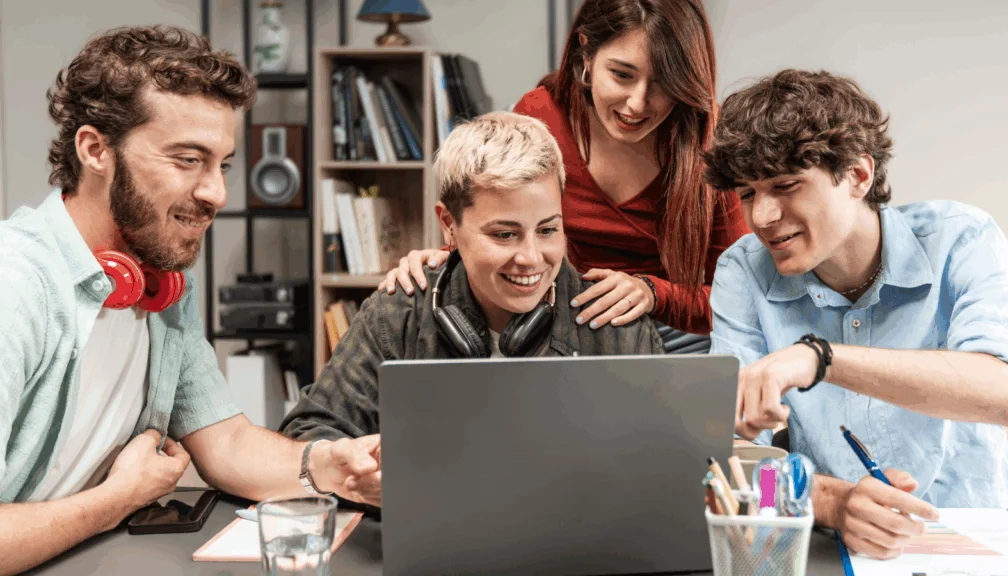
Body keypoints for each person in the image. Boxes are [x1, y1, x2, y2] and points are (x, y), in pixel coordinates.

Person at [0, 26, 388, 574]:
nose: (217, 193)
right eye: (187, 159)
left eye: (221, 164)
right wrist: (116, 500)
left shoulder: (160, 278)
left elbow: (226, 442)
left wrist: (330, 464)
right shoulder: (15, 286)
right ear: (95, 150)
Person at [704, 69, 1008, 560]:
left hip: (977, 540)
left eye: (786, 185)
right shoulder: (743, 272)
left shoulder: (962, 238)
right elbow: (728, 457)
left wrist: (820, 358)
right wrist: (832, 503)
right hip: (832, 549)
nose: (761, 217)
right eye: (747, 193)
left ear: (857, 175)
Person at [279, 111, 665, 505]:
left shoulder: (616, 325)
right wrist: (357, 471)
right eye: (505, 234)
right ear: (449, 224)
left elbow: (665, 468)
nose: (532, 258)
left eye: (548, 229)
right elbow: (307, 436)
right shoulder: (398, 312)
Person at [378, 0, 747, 349]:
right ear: (586, 53)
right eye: (621, 75)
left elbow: (738, 300)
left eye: (664, 82)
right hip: (563, 326)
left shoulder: (708, 139)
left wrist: (652, 293)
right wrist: (439, 260)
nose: (637, 103)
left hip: (671, 328)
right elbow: (495, 227)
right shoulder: (542, 115)